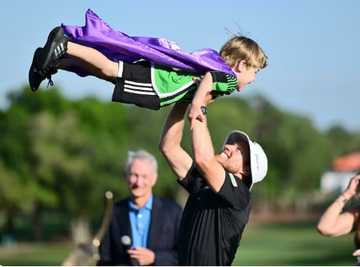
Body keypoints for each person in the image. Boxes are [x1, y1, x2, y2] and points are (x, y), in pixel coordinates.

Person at [29, 9, 267, 127]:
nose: (254, 79)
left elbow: (200, 80)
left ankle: (53, 61)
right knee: (111, 70)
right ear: (241, 65)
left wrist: (196, 100)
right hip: (157, 83)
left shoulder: (215, 62)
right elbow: (207, 78)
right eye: (254, 72)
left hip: (157, 79)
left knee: (104, 73)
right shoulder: (229, 80)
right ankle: (66, 46)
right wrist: (198, 109)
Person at [158, 102, 268, 265]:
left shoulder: (241, 195)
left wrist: (200, 106)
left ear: (246, 170)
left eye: (238, 150)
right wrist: (184, 100)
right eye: (231, 144)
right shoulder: (203, 184)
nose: (228, 146)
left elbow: (203, 159)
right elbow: (168, 148)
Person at [97, 150, 183, 266]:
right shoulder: (111, 214)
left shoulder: (174, 212)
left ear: (154, 179)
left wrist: (155, 258)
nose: (138, 182)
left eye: (144, 176)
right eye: (134, 175)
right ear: (125, 176)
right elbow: (103, 259)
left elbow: (184, 255)